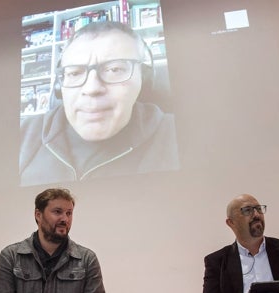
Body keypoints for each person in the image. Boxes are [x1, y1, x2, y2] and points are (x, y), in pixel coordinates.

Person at [19, 21, 179, 186]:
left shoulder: (177, 135)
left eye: (114, 70)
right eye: (74, 73)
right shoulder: (23, 135)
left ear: (144, 80)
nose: (92, 88)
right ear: (60, 87)